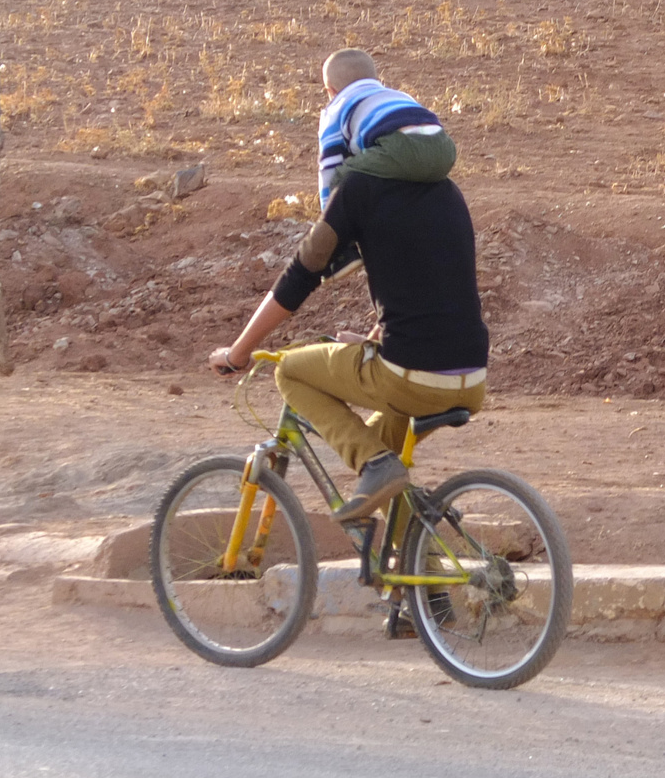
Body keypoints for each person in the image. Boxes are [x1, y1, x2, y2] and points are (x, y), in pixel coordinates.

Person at [207, 56, 488, 522]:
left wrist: (238, 353)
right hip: (471, 374)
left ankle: (375, 465)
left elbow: (298, 278)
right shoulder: (448, 191)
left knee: (291, 373)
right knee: (387, 445)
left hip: (411, 374)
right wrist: (378, 339)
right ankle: (425, 584)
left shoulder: (356, 187)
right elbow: (431, 286)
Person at [314, 48, 456, 210]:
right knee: (404, 169)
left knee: (344, 175)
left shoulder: (336, 109)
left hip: (398, 148)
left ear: (330, 91)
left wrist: (328, 212)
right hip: (444, 148)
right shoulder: (400, 95)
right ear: (376, 79)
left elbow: (330, 166)